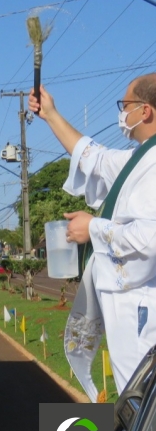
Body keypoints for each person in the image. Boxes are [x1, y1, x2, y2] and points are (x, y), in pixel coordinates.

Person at [29, 75, 156, 400]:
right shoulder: (142, 158)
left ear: (145, 111)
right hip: (129, 302)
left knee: (141, 400)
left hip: (142, 307)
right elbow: (94, 158)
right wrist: (51, 114)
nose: (121, 113)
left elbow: (151, 236)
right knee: (133, 398)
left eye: (124, 105)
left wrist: (94, 228)